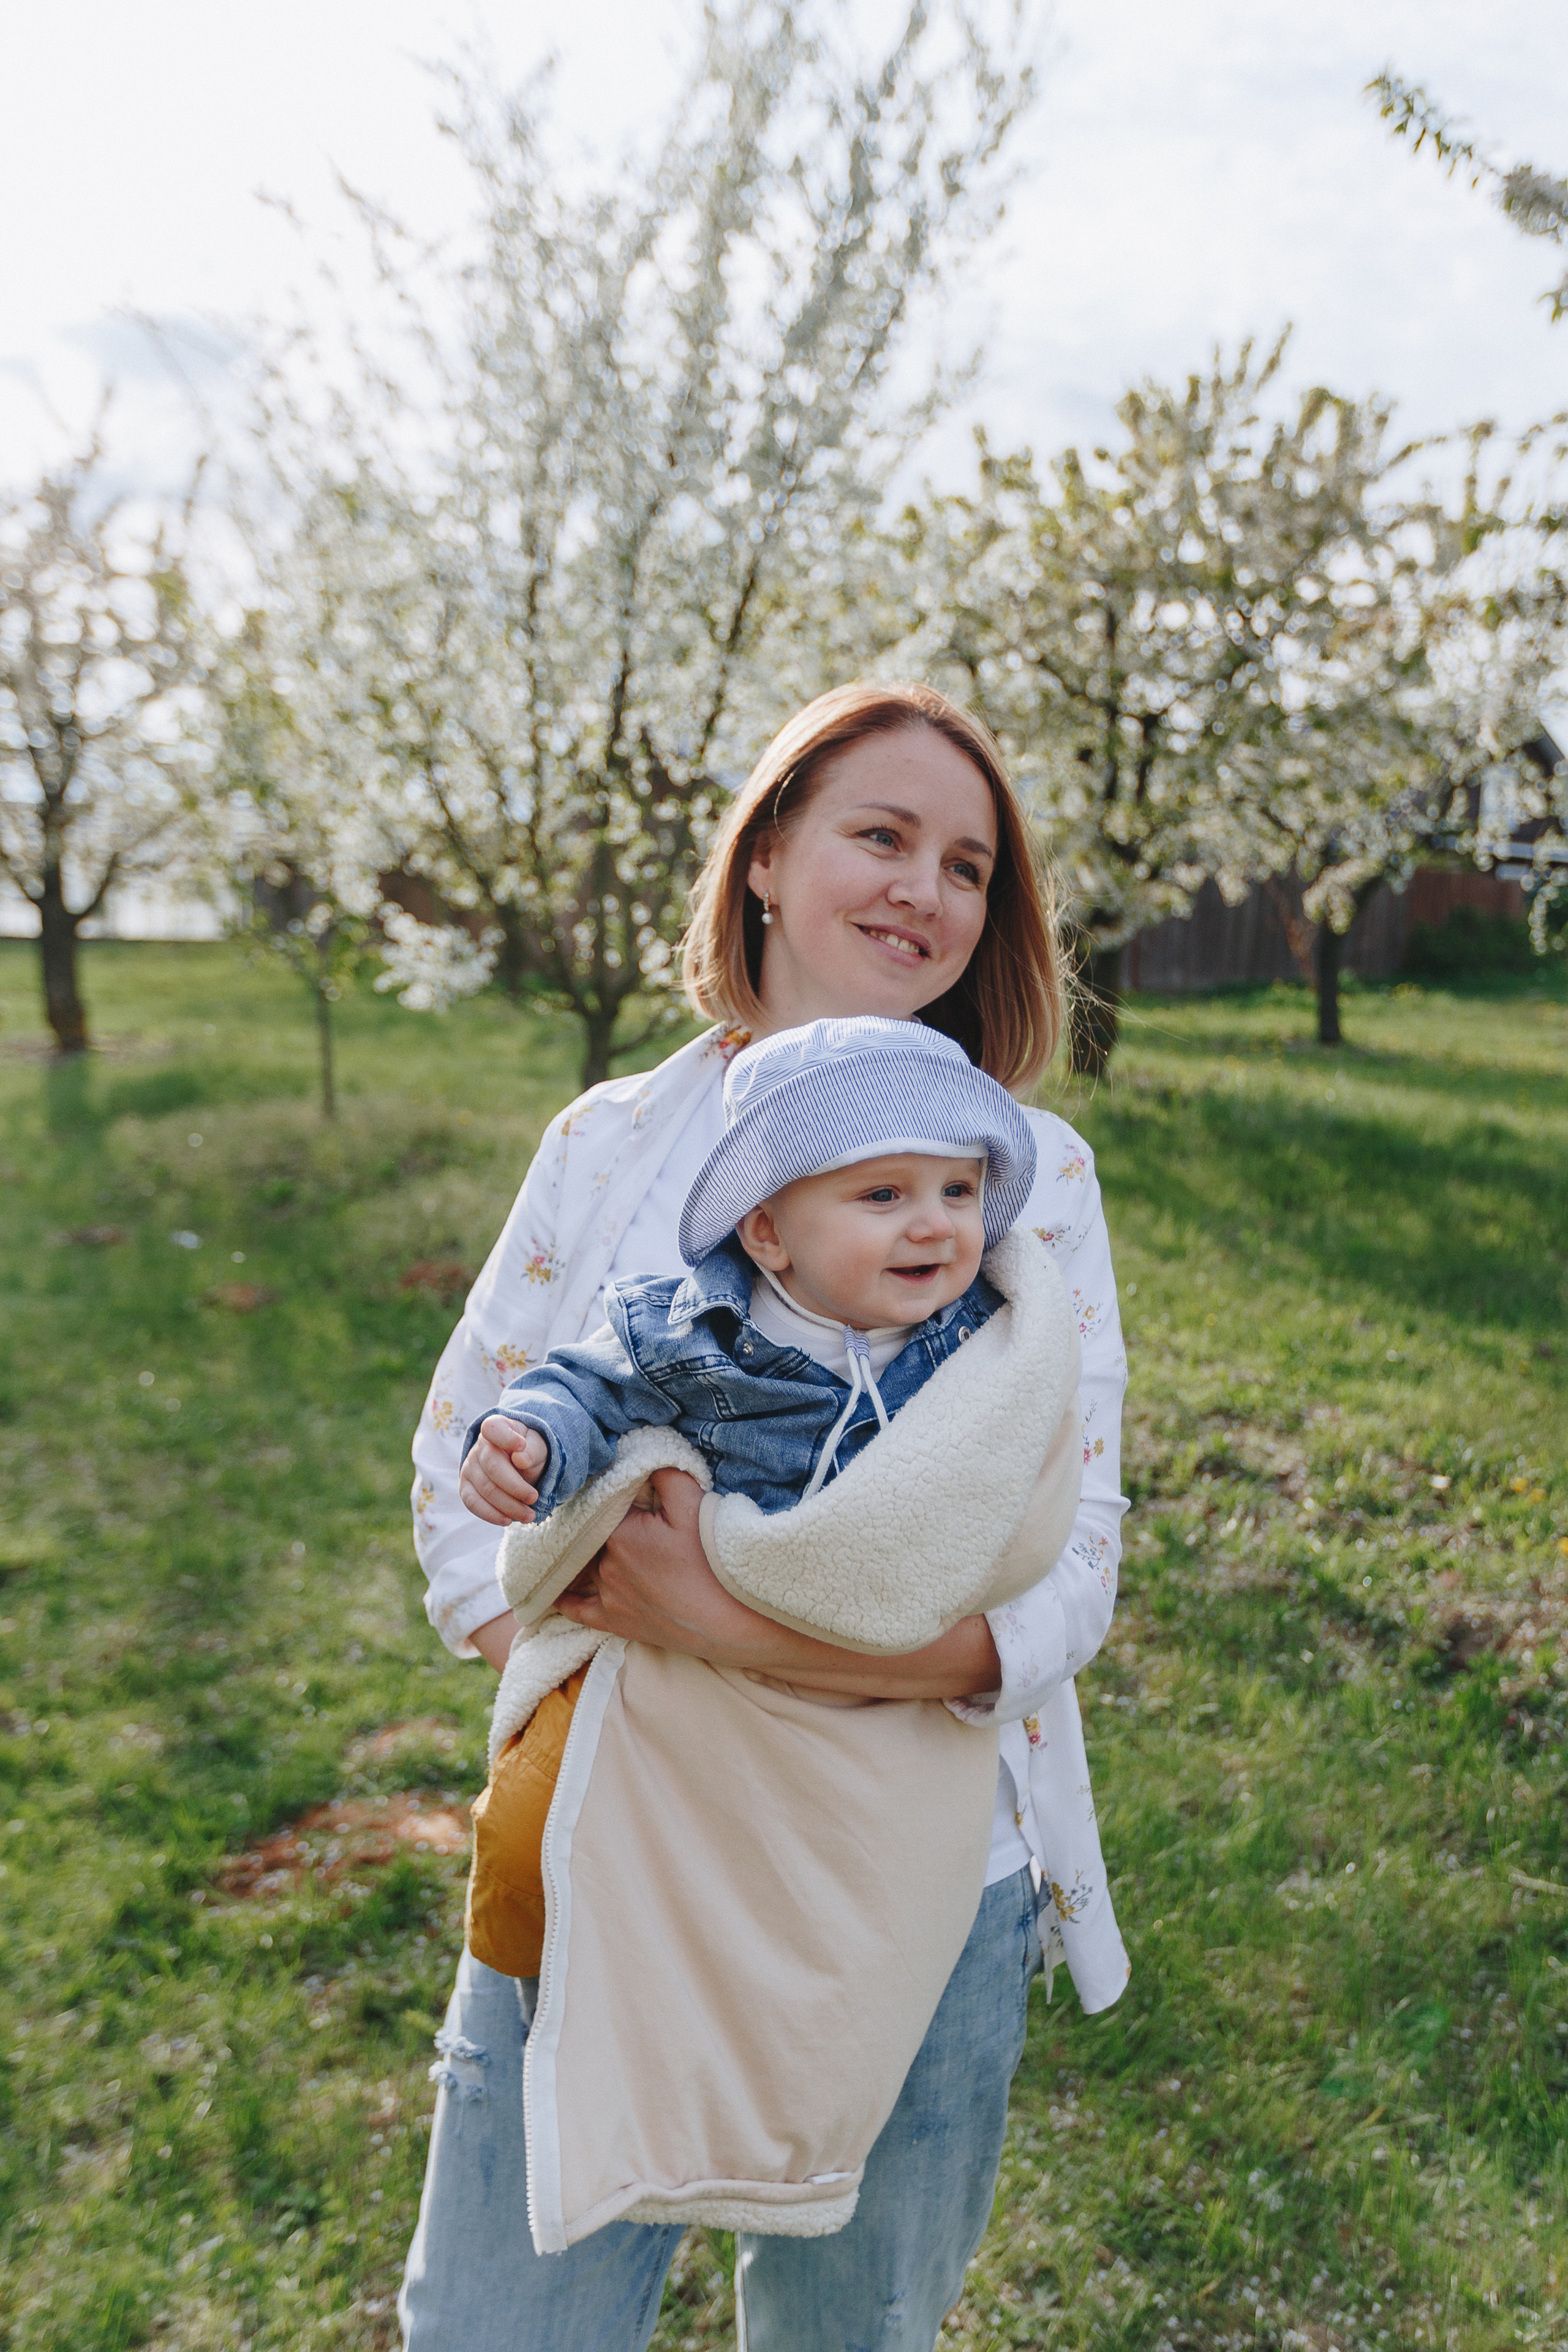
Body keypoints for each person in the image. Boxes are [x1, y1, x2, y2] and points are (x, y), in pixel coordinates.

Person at [400, 680, 1129, 2351]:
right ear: (768, 860)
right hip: (613, 1852)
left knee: (849, 2332)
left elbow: (1066, 1574)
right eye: (881, 836)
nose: (923, 891)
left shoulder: (1032, 1177)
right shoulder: (614, 1145)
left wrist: (722, 1626)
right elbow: (465, 1466)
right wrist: (609, 1684)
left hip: (928, 1861)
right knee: (504, 2329)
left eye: (968, 865)